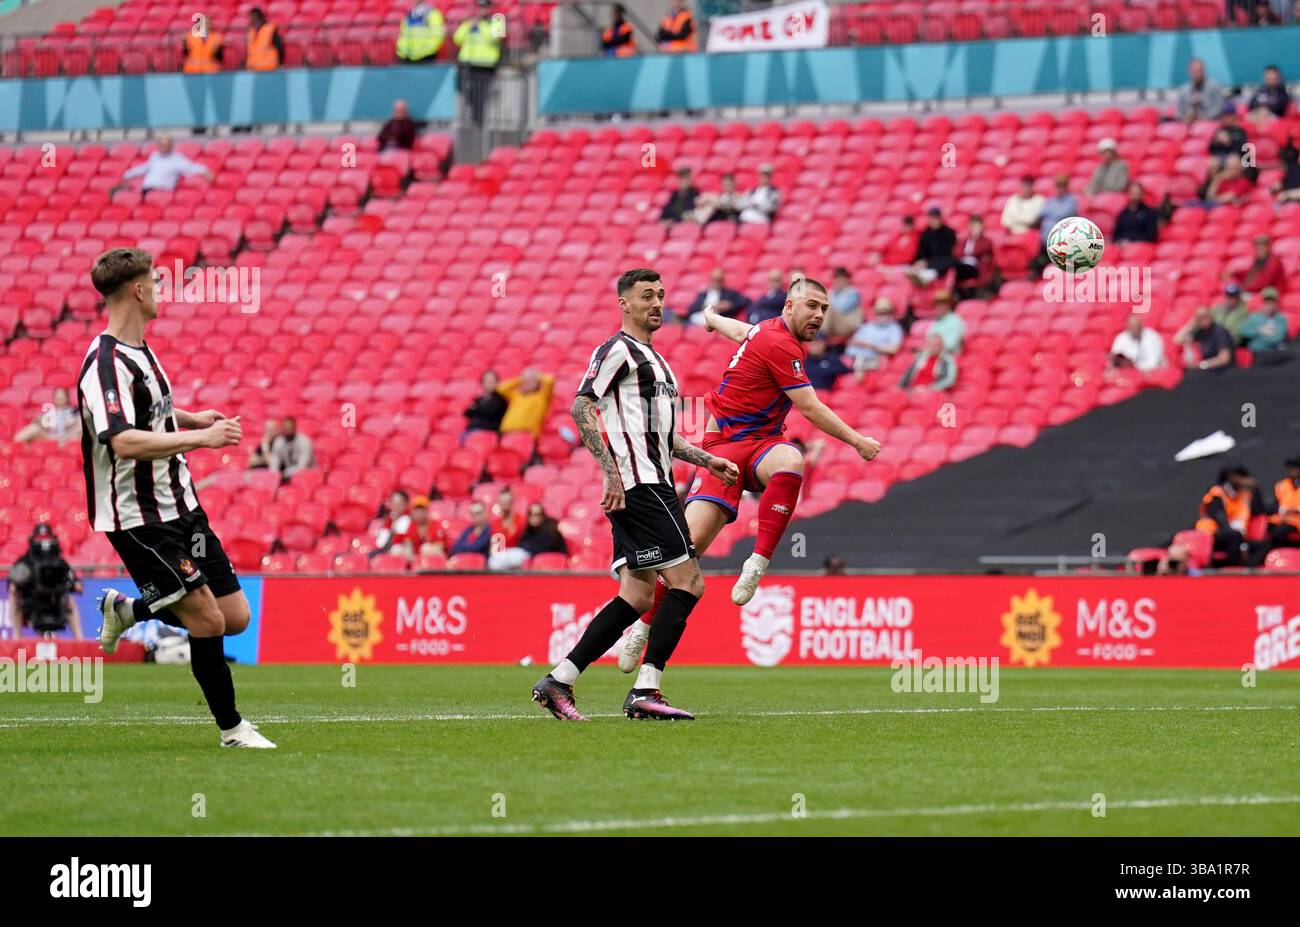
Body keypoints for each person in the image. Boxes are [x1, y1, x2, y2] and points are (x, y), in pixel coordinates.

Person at [615, 277, 881, 678]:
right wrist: (857, 441)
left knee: (791, 459)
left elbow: (741, 331)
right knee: (684, 556)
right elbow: (809, 408)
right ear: (788, 307)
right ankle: (644, 624)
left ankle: (756, 563)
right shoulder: (780, 343)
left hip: (762, 446)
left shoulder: (768, 332)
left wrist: (709, 317)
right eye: (811, 306)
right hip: (722, 450)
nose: (819, 315)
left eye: (824, 309)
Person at [79, 248, 271, 748]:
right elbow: (120, 439)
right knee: (206, 619)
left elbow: (153, 410)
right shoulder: (103, 364)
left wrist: (191, 418)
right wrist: (202, 441)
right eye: (156, 284)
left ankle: (129, 611)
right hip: (140, 519)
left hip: (183, 505)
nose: (162, 293)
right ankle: (233, 730)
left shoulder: (142, 350)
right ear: (138, 290)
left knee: (234, 618)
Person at [532, 269, 739, 722]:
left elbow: (664, 437)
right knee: (690, 582)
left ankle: (557, 681)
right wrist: (611, 473)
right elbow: (581, 405)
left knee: (638, 597)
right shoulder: (616, 350)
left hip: (653, 482)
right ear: (624, 303)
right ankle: (646, 690)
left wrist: (708, 461)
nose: (656, 303)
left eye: (661, 295)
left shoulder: (660, 364)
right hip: (640, 486)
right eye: (646, 295)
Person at [7, 524, 82, 640]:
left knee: (70, 601)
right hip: (32, 601)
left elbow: (72, 578)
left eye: (47, 539)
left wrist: (76, 584)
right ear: (33, 540)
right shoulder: (26, 560)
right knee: (14, 597)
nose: (43, 543)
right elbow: (12, 581)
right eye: (40, 539)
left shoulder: (59, 561)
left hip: (54, 600)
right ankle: (16, 638)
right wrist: (15, 586)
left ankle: (79, 639)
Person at [1194, 465, 1269, 566]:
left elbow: (1260, 510)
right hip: (1213, 535)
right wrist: (1242, 544)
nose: (1242, 480)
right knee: (1234, 536)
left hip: (1237, 536)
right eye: (1239, 476)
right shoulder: (1217, 492)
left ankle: (1247, 571)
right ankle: (1230, 568)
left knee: (1264, 545)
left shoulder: (1244, 494)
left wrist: (1256, 489)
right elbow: (1220, 519)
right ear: (1230, 476)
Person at [453, 0, 504, 126]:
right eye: (480, 7)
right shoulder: (470, 22)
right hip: (467, 63)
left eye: (485, 7)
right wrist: (469, 25)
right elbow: (457, 38)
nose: (483, 10)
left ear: (490, 7)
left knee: (480, 95)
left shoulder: (498, 20)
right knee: (463, 90)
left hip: (485, 65)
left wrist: (480, 25)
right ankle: (473, 118)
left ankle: (478, 122)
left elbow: (494, 38)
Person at [488, 502, 568, 570]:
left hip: (546, 560)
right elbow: (521, 543)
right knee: (496, 558)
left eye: (538, 514)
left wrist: (529, 547)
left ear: (543, 515)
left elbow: (545, 547)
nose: (534, 517)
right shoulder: (529, 529)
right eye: (531, 514)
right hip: (527, 554)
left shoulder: (551, 528)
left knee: (500, 560)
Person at [120, 135, 212, 192]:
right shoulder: (155, 156)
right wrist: (127, 175)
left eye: (166, 145)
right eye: (161, 145)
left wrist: (205, 171)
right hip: (147, 189)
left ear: (171, 145)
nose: (163, 147)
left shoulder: (176, 158)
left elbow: (190, 167)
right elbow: (144, 168)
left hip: (162, 191)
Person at [845, 297, 904, 372]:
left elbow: (894, 349)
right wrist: (856, 342)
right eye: (879, 312)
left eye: (884, 312)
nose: (882, 315)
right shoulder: (867, 325)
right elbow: (851, 341)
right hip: (853, 356)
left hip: (875, 358)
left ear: (890, 312)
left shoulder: (894, 328)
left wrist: (871, 345)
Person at [905, 207, 957, 286]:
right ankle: (918, 276)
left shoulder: (949, 233)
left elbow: (946, 253)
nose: (934, 221)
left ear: (940, 219)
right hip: (927, 262)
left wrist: (927, 262)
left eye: (936, 218)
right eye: (932, 218)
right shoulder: (925, 234)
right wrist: (920, 261)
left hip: (940, 262)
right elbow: (921, 251)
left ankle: (925, 278)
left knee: (947, 262)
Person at [1175, 306, 1236, 370]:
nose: (1203, 320)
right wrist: (1191, 324)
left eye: (1205, 316)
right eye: (1199, 318)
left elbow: (1224, 359)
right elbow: (1178, 339)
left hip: (1224, 371)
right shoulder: (1201, 332)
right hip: (1208, 370)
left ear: (1211, 316)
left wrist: (1203, 365)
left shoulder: (1220, 332)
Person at [497, 368, 554, 437]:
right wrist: (520, 379)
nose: (527, 383)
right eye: (525, 381)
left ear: (537, 383)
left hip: (526, 435)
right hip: (506, 433)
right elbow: (500, 388)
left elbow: (550, 380)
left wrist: (536, 376)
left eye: (531, 381)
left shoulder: (542, 396)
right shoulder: (516, 395)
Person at [14, 387, 78, 444]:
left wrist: (72, 422)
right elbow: (37, 422)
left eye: (62, 398)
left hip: (68, 436)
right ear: (54, 399)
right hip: (49, 436)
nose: (60, 400)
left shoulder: (73, 411)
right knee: (33, 428)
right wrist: (44, 423)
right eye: (58, 398)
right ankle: (13, 447)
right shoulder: (48, 413)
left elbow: (78, 426)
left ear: (67, 398)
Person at [685, 268, 750, 323]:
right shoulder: (703, 294)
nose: (716, 283)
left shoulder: (729, 293)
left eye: (719, 280)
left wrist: (730, 305)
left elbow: (746, 301)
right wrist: (704, 306)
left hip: (719, 320)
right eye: (714, 280)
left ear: (723, 280)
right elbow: (691, 309)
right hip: (699, 320)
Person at [393, 495, 448, 560]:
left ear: (427, 511)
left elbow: (440, 547)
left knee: (425, 548)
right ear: (413, 512)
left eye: (422, 510)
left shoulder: (435, 525)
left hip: (433, 558)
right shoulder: (411, 525)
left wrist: (424, 551)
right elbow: (408, 544)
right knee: (396, 549)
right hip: (416, 557)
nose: (419, 513)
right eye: (417, 510)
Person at [1238, 287, 1290, 355]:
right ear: (1263, 303)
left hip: (1274, 353)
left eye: (1272, 303)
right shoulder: (1255, 316)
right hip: (1256, 353)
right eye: (1267, 303)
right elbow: (1243, 331)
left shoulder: (1281, 318)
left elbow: (1277, 338)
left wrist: (1256, 338)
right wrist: (1260, 330)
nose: (1269, 306)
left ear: (1276, 304)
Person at [954, 215, 994, 298]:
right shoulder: (965, 241)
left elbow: (979, 251)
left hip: (975, 267)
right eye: (973, 225)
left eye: (977, 225)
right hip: (962, 265)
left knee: (954, 266)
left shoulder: (986, 241)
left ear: (982, 226)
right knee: (953, 265)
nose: (975, 228)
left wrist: (976, 239)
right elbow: (957, 253)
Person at [1177, 58, 1226, 122]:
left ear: (1204, 71)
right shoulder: (1183, 90)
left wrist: (1204, 118)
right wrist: (1186, 116)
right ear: (1189, 72)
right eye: (1194, 71)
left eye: (1199, 71)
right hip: (1189, 122)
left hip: (1209, 122)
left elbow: (1218, 108)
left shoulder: (1214, 86)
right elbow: (1180, 111)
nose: (1197, 74)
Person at [1268, 455, 1300, 549]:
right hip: (1281, 519)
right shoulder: (1282, 485)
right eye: (1291, 467)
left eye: (1296, 467)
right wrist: (1282, 509)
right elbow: (1271, 507)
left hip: (1296, 521)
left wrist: (1297, 510)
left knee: (1280, 532)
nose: (1293, 470)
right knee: (1269, 530)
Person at [825, 267, 863, 340]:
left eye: (841, 278)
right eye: (837, 278)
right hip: (834, 325)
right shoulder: (831, 292)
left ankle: (820, 335)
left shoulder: (852, 293)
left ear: (847, 280)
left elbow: (841, 309)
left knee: (827, 308)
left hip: (848, 326)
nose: (839, 281)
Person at [490, 486, 525, 550]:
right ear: (499, 502)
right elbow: (496, 548)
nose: (505, 504)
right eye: (502, 501)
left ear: (512, 501)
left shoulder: (521, 521)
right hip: (500, 556)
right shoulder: (495, 524)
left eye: (507, 502)